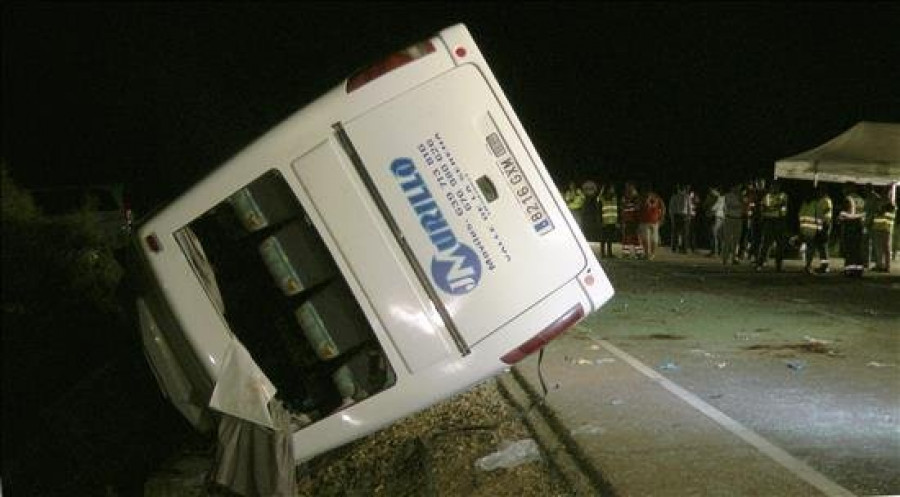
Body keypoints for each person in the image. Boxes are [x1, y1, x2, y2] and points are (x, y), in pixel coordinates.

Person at [755, 179, 789, 272]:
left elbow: (782, 207)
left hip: (779, 221)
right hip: (769, 221)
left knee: (780, 245)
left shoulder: (783, 195)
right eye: (773, 186)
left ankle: (778, 266)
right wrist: (773, 207)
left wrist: (769, 208)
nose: (774, 188)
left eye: (776, 186)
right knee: (765, 244)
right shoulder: (767, 196)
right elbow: (762, 208)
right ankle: (760, 264)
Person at [797, 186, 827, 274]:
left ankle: (807, 266)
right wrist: (820, 230)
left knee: (808, 249)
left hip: (804, 229)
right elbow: (819, 218)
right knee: (811, 249)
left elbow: (800, 216)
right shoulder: (816, 204)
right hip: (813, 230)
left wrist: (801, 229)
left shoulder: (804, 204)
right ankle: (807, 266)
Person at [839, 182, 866, 277]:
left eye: (844, 188)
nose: (843, 190)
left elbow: (847, 213)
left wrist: (841, 216)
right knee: (858, 249)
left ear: (849, 189)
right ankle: (859, 270)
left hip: (850, 226)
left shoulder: (848, 199)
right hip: (860, 226)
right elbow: (864, 213)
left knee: (849, 249)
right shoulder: (861, 199)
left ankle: (849, 270)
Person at [637, 183, 666, 261]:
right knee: (654, 238)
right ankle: (652, 254)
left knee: (645, 238)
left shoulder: (642, 197)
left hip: (645, 220)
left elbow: (638, 207)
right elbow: (663, 208)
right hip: (654, 220)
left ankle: (647, 254)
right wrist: (662, 218)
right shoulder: (657, 197)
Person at [871, 191, 895, 273]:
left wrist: (879, 209)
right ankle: (880, 265)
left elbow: (881, 213)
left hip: (885, 229)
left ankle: (885, 266)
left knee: (885, 249)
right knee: (880, 249)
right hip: (880, 229)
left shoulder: (890, 206)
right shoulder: (884, 205)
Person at [721, 183, 745, 266]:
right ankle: (725, 258)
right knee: (727, 239)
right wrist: (739, 204)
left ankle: (734, 258)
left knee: (736, 240)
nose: (738, 189)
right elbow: (729, 206)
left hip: (738, 219)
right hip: (729, 218)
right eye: (737, 187)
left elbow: (744, 207)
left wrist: (741, 200)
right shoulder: (728, 196)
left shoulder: (741, 196)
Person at [812, 184, 834, 273]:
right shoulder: (822, 200)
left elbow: (827, 210)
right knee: (821, 246)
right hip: (822, 224)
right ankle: (823, 265)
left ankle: (825, 266)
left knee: (823, 246)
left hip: (825, 224)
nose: (818, 193)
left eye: (820, 191)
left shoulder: (826, 200)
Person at [620, 182, 642, 259]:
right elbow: (623, 209)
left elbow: (637, 209)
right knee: (627, 237)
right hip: (628, 220)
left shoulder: (635, 199)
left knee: (634, 237)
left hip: (633, 220)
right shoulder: (625, 198)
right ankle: (627, 253)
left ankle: (638, 253)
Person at [863, 183, 881, 269]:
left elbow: (876, 211)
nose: (865, 191)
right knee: (866, 244)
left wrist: (869, 220)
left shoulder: (876, 198)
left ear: (870, 189)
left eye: (866, 189)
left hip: (873, 224)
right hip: (867, 223)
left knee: (875, 245)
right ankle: (866, 262)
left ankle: (877, 263)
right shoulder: (867, 198)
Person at [598, 183, 619, 258]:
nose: (613, 190)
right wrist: (602, 189)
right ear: (608, 190)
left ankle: (610, 253)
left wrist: (617, 221)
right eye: (611, 188)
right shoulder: (603, 198)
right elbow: (598, 199)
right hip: (605, 222)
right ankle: (603, 253)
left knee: (610, 238)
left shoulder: (614, 198)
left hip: (613, 222)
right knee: (603, 238)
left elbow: (616, 210)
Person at [668, 185, 690, 253]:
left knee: (675, 233)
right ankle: (684, 249)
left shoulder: (674, 196)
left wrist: (671, 217)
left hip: (677, 215)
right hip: (684, 215)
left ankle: (674, 248)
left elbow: (671, 208)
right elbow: (689, 208)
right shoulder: (687, 197)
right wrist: (689, 216)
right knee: (685, 233)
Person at [703, 186, 724, 257]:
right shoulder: (714, 197)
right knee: (715, 234)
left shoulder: (720, 198)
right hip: (717, 217)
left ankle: (715, 251)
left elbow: (713, 208)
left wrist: (709, 210)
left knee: (714, 234)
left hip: (717, 217)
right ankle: (716, 251)